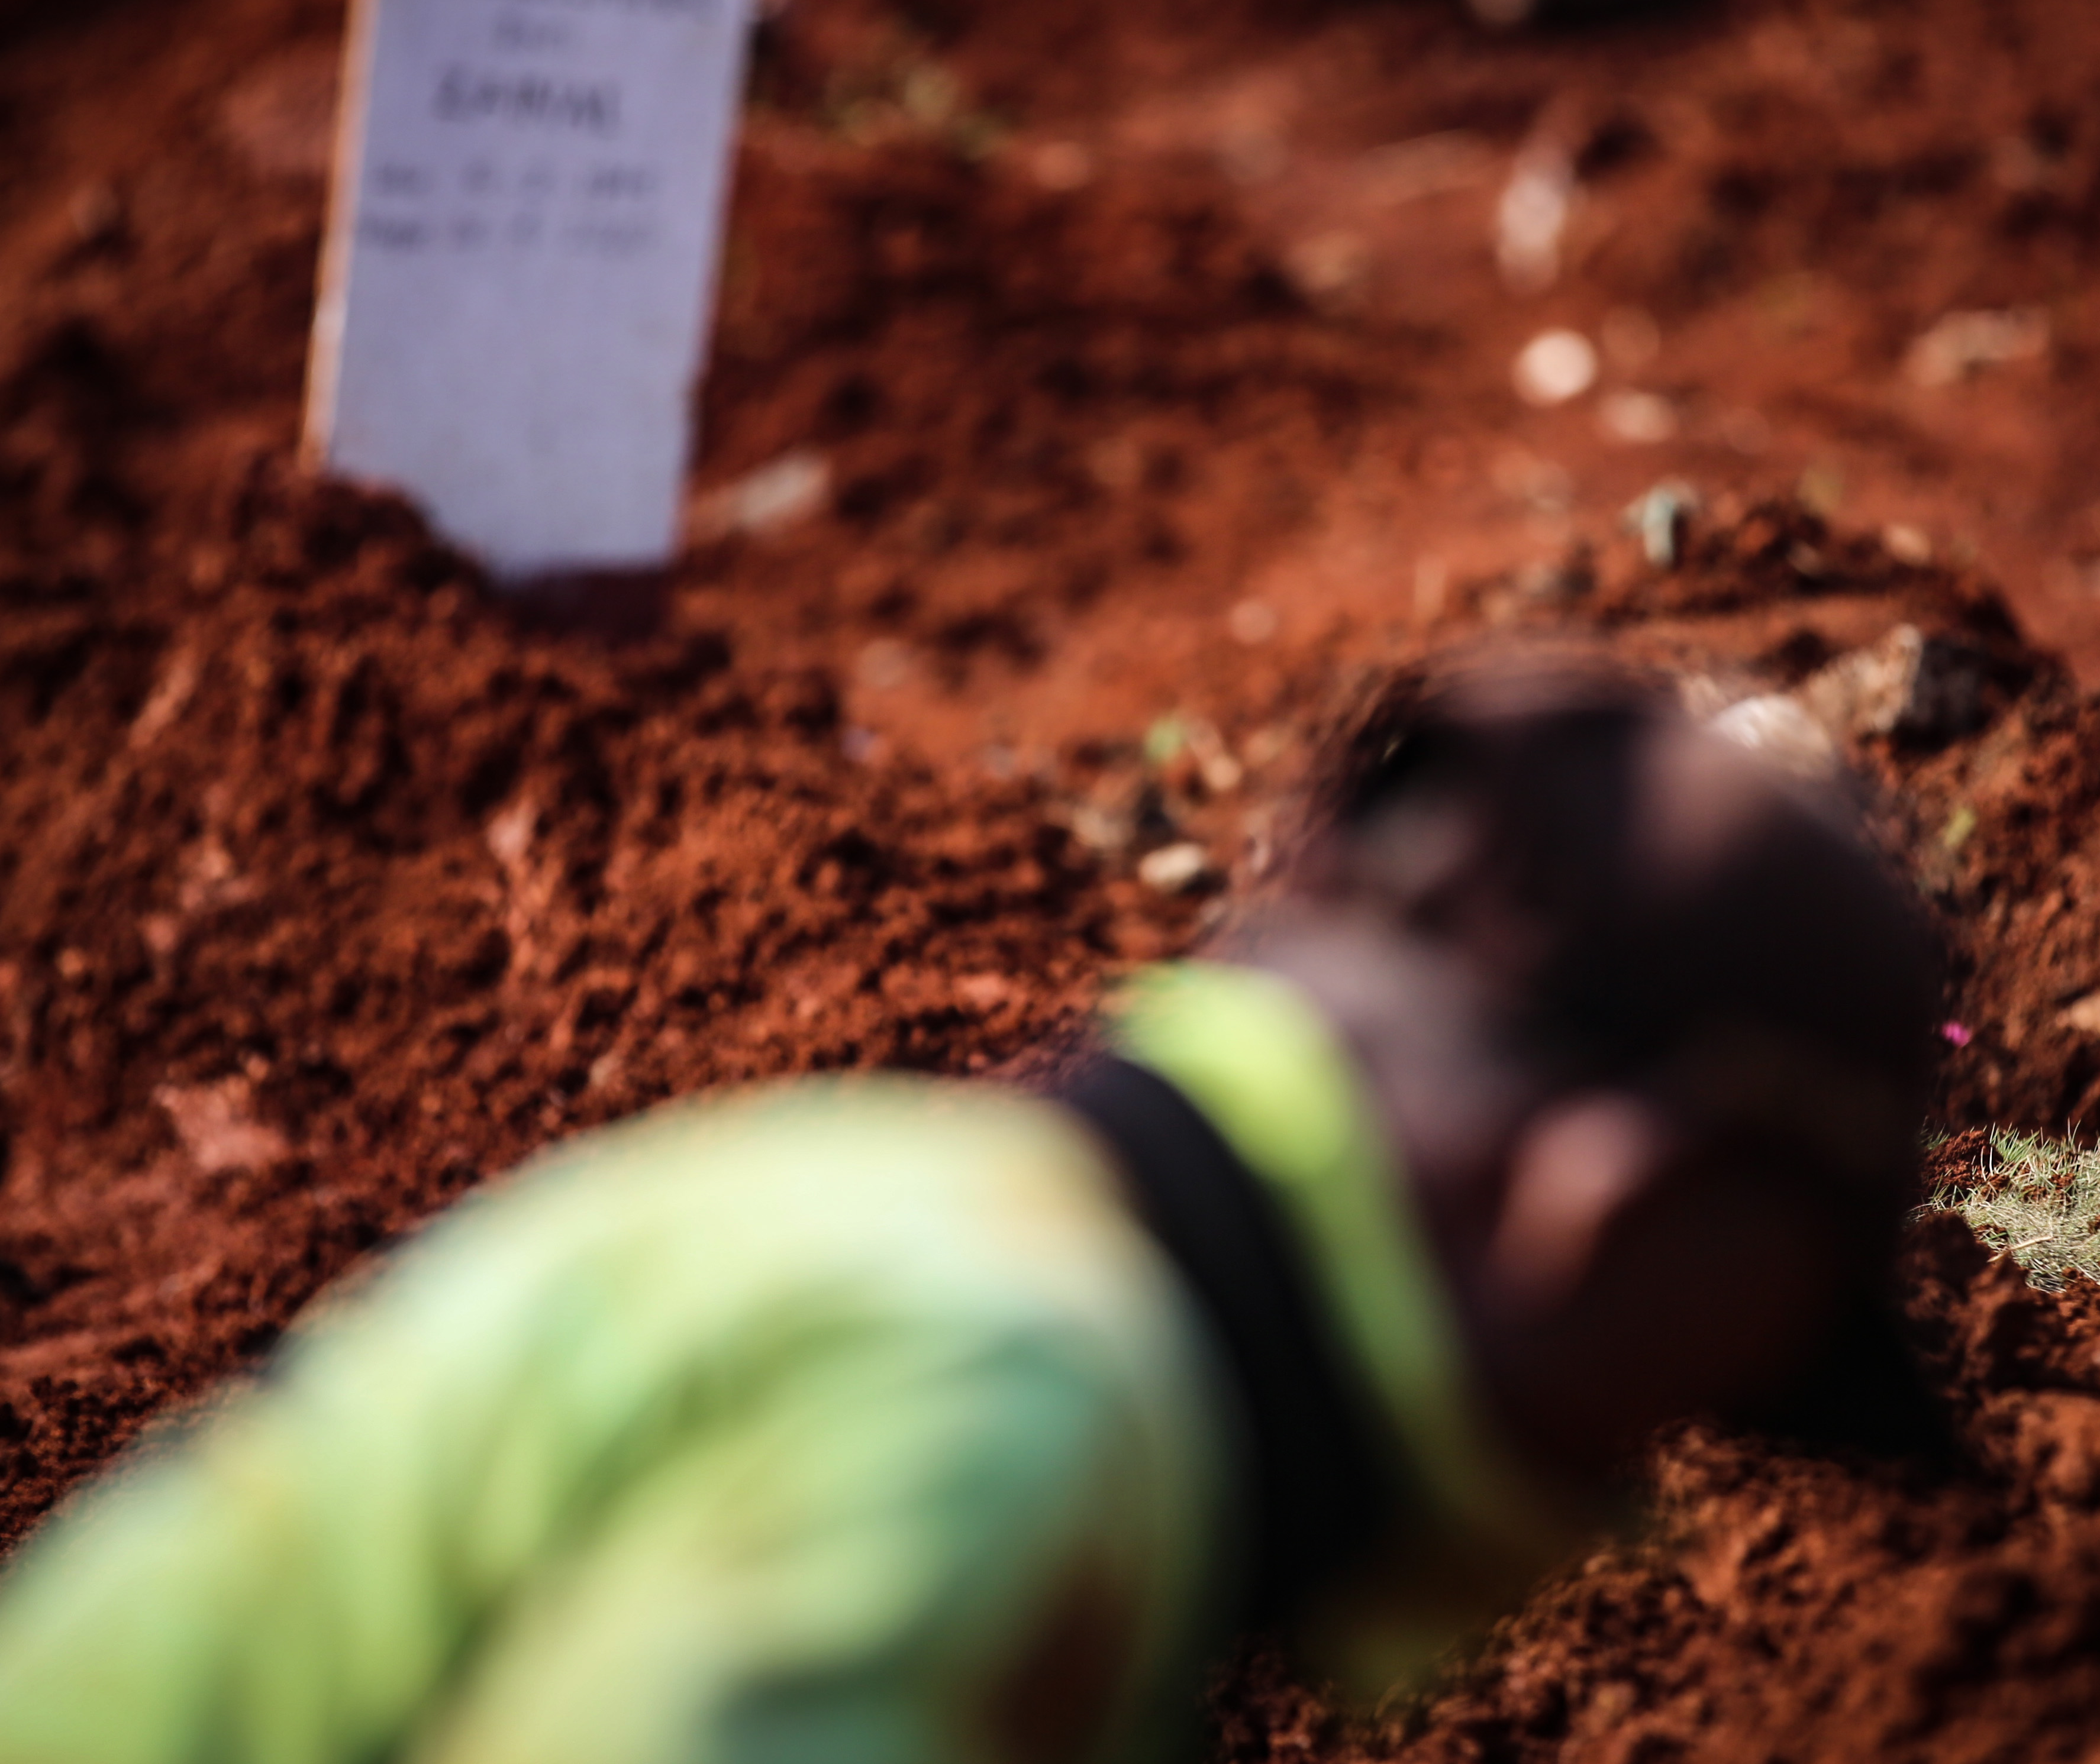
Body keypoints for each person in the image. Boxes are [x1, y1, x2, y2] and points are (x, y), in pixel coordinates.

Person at [0, 651, 1946, 1764]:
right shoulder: (1012, 1404)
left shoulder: (925, 1201)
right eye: (1683, 1410)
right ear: (1599, 1213)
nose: (1624, 1497)